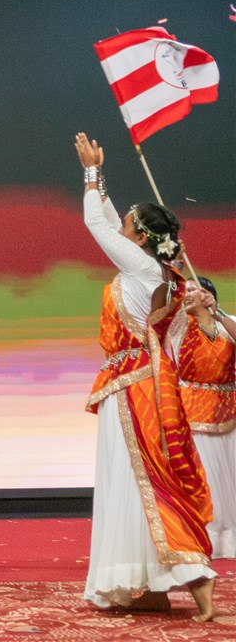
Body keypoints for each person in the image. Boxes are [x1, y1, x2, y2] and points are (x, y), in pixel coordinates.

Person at [73, 133, 215, 621]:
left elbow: (97, 223)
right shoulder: (161, 272)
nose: (121, 227)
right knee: (138, 479)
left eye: (129, 224)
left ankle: (194, 580)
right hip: (141, 382)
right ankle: (151, 585)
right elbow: (111, 221)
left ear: (140, 239)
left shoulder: (142, 269)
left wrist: (91, 173)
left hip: (135, 387)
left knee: (143, 478)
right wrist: (102, 181)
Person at [178, 278, 235, 559]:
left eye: (192, 290)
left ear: (209, 295)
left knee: (230, 477)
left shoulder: (227, 323)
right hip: (192, 409)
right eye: (183, 291)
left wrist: (218, 313)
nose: (186, 295)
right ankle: (204, 536)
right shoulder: (179, 327)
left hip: (228, 409)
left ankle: (229, 538)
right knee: (204, 476)